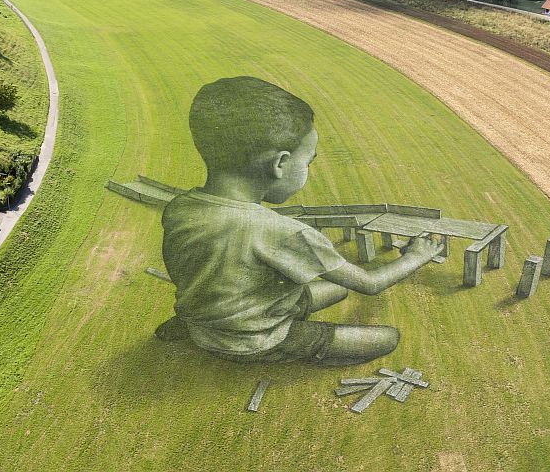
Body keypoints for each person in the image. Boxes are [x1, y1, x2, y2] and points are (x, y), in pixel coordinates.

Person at [157, 76, 442, 366]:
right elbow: (369, 284)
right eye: (308, 162)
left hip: (205, 320)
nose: (308, 169)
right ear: (280, 164)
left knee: (337, 289)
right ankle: (269, 345)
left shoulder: (180, 207)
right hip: (253, 339)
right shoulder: (285, 233)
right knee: (387, 338)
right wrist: (418, 256)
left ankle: (199, 329)